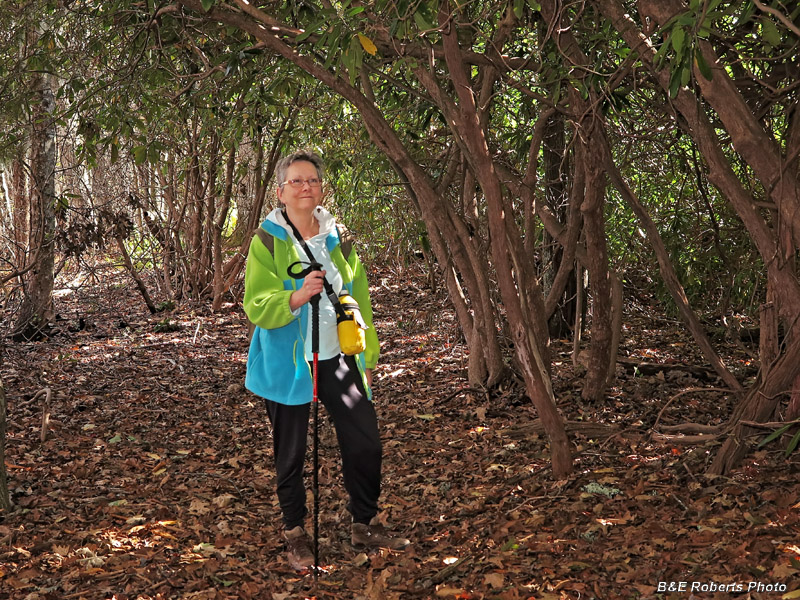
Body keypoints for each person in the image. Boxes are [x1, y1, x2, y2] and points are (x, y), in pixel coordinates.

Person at [243, 150, 409, 571]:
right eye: (296, 181)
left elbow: (359, 295)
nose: (305, 187)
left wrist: (367, 353)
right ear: (280, 191)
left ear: (321, 188)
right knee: (292, 453)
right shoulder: (266, 240)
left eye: (311, 180)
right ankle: (295, 532)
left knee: (365, 441)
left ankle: (364, 522)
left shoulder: (339, 236)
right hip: (290, 360)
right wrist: (296, 297)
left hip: (338, 355)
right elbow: (255, 302)